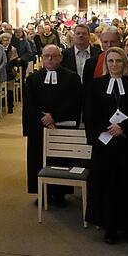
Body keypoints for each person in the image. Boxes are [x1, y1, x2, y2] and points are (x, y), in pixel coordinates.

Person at [84, 47, 128, 245]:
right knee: (108, 185)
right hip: (106, 144)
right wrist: (108, 127)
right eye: (110, 61)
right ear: (105, 64)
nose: (114, 65)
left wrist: (124, 127)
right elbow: (90, 112)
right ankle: (109, 227)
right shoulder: (97, 84)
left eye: (118, 61)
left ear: (125, 64)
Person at [23, 45, 83, 202]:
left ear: (60, 58)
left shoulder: (72, 78)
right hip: (39, 127)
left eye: (54, 56)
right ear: (42, 57)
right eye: (47, 56)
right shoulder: (33, 79)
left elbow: (74, 102)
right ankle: (41, 193)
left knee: (61, 159)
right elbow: (29, 105)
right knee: (38, 159)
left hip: (62, 125)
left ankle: (60, 193)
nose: (50, 59)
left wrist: (54, 116)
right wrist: (43, 119)